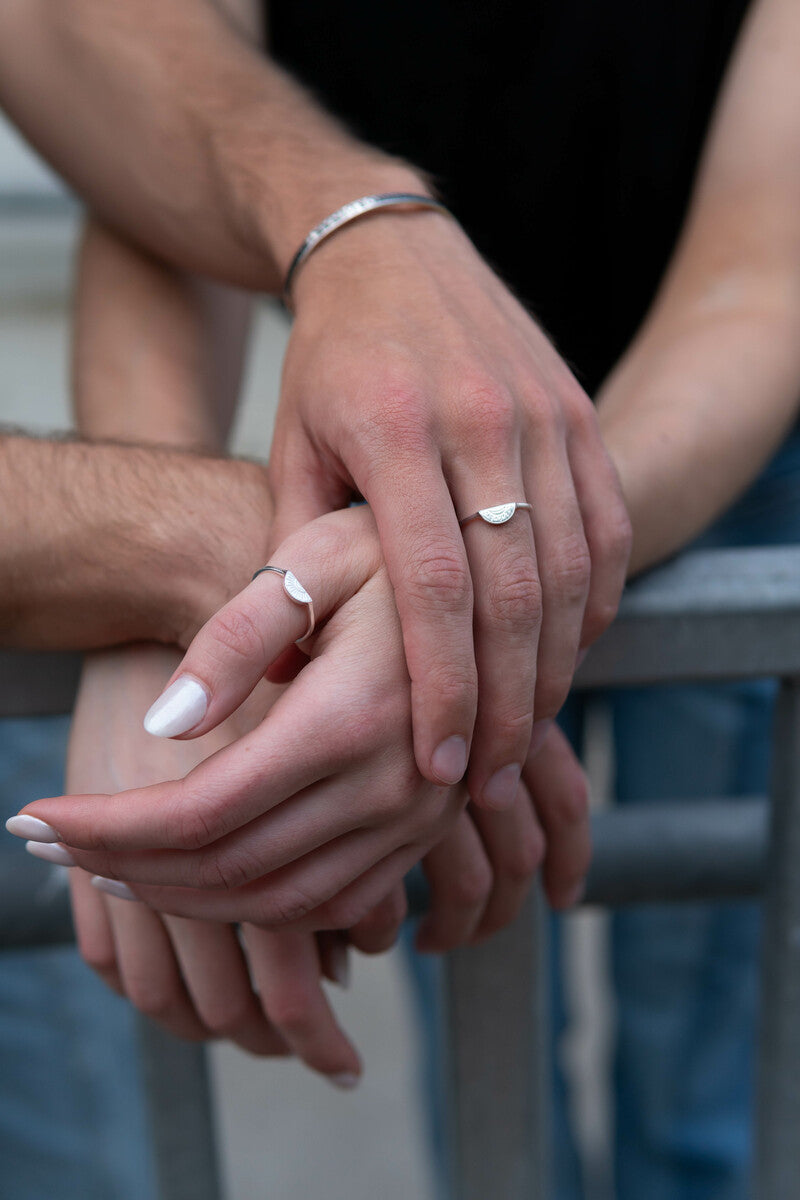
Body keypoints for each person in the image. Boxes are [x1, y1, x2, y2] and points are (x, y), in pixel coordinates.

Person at [5, 0, 800, 1196]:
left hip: (706, 451)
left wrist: (483, 566)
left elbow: (757, 282)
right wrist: (160, 599)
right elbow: (148, 167)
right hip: (375, 466)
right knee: (459, 903)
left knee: (696, 979)